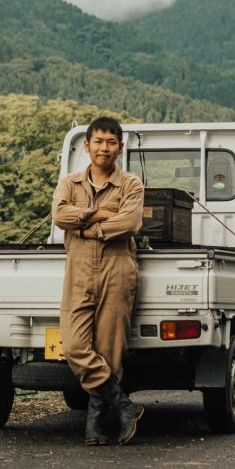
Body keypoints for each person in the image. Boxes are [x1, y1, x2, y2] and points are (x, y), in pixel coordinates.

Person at [52, 116, 145, 445]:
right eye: (98, 141)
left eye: (111, 142)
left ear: (119, 147)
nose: (104, 148)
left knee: (109, 352)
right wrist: (100, 214)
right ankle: (124, 405)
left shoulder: (131, 184)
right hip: (78, 268)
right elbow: (59, 215)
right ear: (87, 145)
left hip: (116, 266)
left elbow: (131, 223)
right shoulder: (69, 183)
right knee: (75, 346)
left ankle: (95, 426)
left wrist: (88, 228)